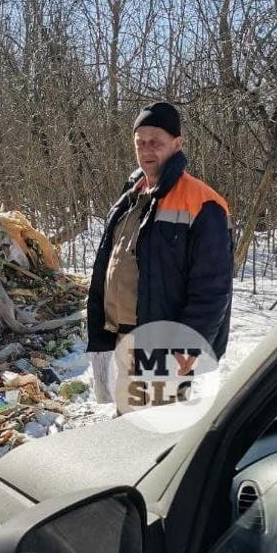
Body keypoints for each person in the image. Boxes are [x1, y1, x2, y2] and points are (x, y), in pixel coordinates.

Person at [86, 102, 232, 405]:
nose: (147, 149)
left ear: (177, 143)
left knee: (157, 434)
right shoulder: (132, 196)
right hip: (125, 338)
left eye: (156, 142)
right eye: (140, 142)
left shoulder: (203, 204)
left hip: (165, 344)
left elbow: (212, 290)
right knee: (129, 425)